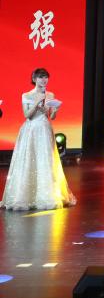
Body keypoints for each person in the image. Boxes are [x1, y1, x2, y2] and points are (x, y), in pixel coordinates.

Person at [1, 68, 77, 211]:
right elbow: (27, 115)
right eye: (41, 77)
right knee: (29, 159)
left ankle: (47, 195)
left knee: (46, 160)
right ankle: (25, 196)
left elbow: (51, 116)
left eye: (46, 77)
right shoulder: (26, 95)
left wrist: (54, 111)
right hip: (31, 130)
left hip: (44, 129)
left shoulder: (50, 95)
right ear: (34, 79)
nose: (44, 80)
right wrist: (36, 103)